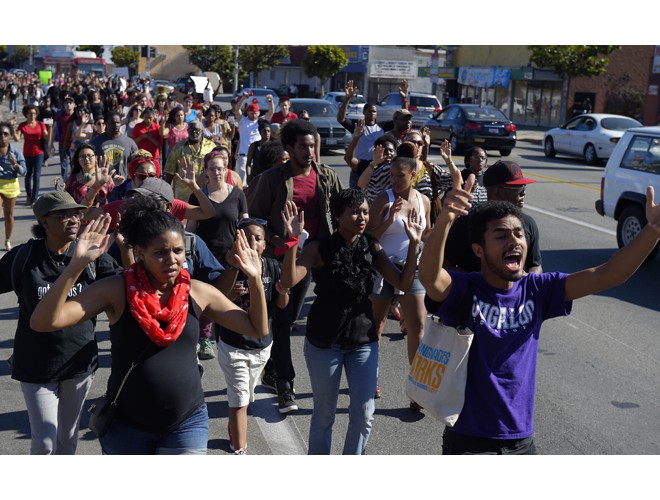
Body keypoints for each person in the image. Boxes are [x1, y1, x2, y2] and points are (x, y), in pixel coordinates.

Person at [418, 166, 660, 455]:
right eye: (500, 235)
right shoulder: (466, 289)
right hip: (469, 440)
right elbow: (431, 278)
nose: (514, 241)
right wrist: (445, 220)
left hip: (522, 441)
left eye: (518, 234)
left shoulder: (538, 290)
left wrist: (653, 231)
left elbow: (607, 275)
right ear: (479, 250)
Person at [29, 196, 269, 455]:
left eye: (177, 251)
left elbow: (257, 328)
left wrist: (255, 279)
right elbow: (44, 322)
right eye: (160, 252)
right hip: (126, 427)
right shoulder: (116, 290)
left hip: (186, 422)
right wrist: (76, 265)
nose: (172, 260)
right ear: (140, 252)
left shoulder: (197, 292)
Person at [280, 190, 423, 454]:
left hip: (363, 340)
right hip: (324, 342)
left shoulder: (372, 245)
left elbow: (402, 282)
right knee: (324, 414)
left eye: (366, 212)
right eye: (355, 212)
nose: (362, 217)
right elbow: (288, 282)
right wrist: (292, 240)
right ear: (338, 215)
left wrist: (414, 244)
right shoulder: (319, 248)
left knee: (365, 414)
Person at [0, 191, 122, 454]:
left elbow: (125, 285)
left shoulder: (92, 255)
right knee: (44, 442)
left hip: (78, 362)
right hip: (35, 364)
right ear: (44, 222)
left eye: (76, 214)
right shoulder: (24, 257)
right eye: (63, 215)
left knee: (67, 440)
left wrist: (126, 248)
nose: (73, 219)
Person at [249, 118, 343, 413]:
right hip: (280, 258)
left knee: (289, 320)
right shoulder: (272, 179)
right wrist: (281, 238)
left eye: (313, 145)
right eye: (303, 146)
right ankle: (285, 385)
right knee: (281, 318)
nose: (309, 151)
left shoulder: (326, 175)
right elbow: (256, 221)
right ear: (289, 148)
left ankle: (273, 366)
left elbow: (340, 212)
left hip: (316, 256)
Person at [217, 217, 289, 455]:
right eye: (246, 238)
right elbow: (215, 299)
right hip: (233, 346)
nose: (252, 243)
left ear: (264, 244)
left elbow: (281, 304)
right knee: (238, 399)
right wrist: (232, 293)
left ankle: (234, 427)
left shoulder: (271, 266)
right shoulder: (230, 265)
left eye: (257, 238)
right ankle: (240, 450)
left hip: (261, 348)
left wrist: (283, 293)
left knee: (246, 397)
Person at [366, 143, 432, 403]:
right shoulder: (385, 199)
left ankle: (416, 389)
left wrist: (424, 241)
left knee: (417, 326)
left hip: (412, 269)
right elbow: (369, 236)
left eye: (399, 176)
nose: (394, 180)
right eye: (391, 175)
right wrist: (388, 219)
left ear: (413, 174)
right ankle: (371, 378)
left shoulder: (424, 201)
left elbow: (426, 233)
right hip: (384, 266)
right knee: (377, 325)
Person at [186, 151, 249, 359]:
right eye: (212, 168)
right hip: (205, 256)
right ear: (205, 172)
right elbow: (191, 228)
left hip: (232, 255)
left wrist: (246, 249)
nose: (216, 172)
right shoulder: (197, 195)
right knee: (206, 297)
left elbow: (245, 224)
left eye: (220, 168)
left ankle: (230, 336)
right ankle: (204, 338)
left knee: (232, 296)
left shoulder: (238, 194)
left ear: (226, 170)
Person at [444, 158, 543, 274]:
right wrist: (477, 284)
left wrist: (526, 282)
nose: (523, 192)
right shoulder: (467, 223)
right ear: (497, 191)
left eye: (524, 186)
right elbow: (447, 265)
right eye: (518, 187)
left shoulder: (528, 223)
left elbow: (536, 265)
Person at [337, 81, 384, 188]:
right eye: (369, 111)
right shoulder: (357, 126)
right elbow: (341, 119)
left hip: (377, 168)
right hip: (358, 167)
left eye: (374, 111)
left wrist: (404, 100)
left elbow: (402, 121)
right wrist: (347, 99)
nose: (372, 113)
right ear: (364, 112)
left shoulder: (381, 128)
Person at [163, 120, 215, 202]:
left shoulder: (211, 147)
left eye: (197, 130)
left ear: (202, 131)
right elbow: (169, 172)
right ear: (187, 130)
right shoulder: (178, 147)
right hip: (183, 196)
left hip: (205, 193)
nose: (194, 132)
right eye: (191, 129)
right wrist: (166, 195)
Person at [233, 92, 275, 185]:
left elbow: (271, 112)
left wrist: (270, 101)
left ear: (259, 113)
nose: (253, 114)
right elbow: (237, 109)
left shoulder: (261, 122)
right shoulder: (242, 120)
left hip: (257, 156)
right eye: (251, 113)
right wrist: (244, 98)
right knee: (242, 182)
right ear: (247, 112)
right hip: (244, 155)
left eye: (255, 113)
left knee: (257, 182)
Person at [13, 105, 48, 206]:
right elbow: (17, 139)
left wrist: (50, 127)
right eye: (30, 113)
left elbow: (46, 137)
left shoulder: (41, 124)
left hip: (39, 153)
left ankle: (34, 199)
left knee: (36, 176)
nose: (32, 115)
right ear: (26, 114)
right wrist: (12, 127)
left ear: (36, 114)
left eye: (34, 113)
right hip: (27, 154)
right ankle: (29, 195)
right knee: (27, 175)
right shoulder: (23, 125)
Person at [0, 121, 26, 250]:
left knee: (9, 215)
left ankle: (7, 240)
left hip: (11, 184)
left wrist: (15, 163)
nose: (2, 137)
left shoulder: (15, 152)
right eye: (0, 134)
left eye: (5, 134)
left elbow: (24, 171)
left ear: (10, 135)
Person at [89, 111, 138, 179]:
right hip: (102, 184)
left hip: (123, 185)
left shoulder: (130, 143)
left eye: (118, 122)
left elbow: (136, 165)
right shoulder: (95, 142)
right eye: (112, 123)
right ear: (106, 123)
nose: (116, 125)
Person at [355, 132, 399, 203]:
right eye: (384, 150)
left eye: (391, 150)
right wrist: (374, 162)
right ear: (376, 152)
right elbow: (361, 184)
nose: (388, 153)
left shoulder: (399, 168)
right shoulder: (371, 168)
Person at [50, 95, 76, 180]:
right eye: (66, 103)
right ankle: (66, 184)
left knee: (75, 165)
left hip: (74, 144)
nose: (68, 105)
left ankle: (74, 182)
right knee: (64, 166)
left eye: (70, 103)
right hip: (62, 143)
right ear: (64, 105)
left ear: (74, 105)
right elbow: (54, 129)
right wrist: (51, 143)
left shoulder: (77, 115)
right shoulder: (60, 115)